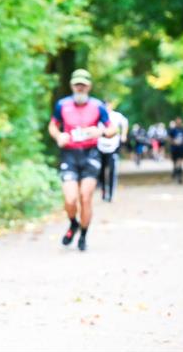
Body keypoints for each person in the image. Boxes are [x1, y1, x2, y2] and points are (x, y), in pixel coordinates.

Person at [47, 69, 117, 251]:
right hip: (69, 155)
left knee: (85, 197)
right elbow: (53, 125)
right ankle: (73, 224)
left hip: (90, 154)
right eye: (77, 84)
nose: (80, 88)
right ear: (72, 86)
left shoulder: (97, 106)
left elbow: (112, 129)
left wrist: (100, 131)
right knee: (70, 199)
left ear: (89, 86)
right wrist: (58, 136)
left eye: (83, 85)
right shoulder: (62, 105)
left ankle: (83, 236)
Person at [96, 100, 128, 202]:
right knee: (100, 170)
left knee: (112, 170)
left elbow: (125, 123)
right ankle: (103, 190)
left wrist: (123, 135)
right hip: (100, 145)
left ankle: (111, 194)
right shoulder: (98, 116)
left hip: (113, 146)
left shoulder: (117, 116)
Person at [168, 116, 183, 183]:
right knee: (175, 161)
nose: (179, 122)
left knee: (180, 161)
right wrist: (174, 142)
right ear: (176, 122)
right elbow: (169, 138)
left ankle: (179, 175)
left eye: (180, 121)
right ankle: (175, 170)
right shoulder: (172, 130)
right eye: (178, 121)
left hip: (181, 148)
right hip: (174, 148)